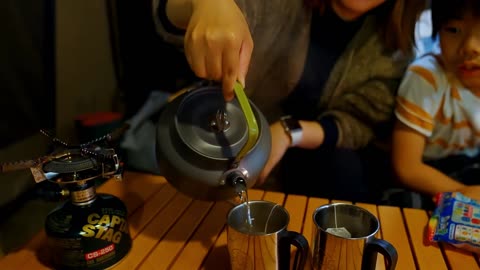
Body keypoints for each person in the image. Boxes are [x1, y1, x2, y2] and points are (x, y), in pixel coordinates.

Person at [153, 0, 426, 203]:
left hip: (305, 167)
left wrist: (288, 132)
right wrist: (208, 5)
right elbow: (166, 13)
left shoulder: (394, 52)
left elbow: (357, 123)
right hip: (221, 149)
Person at [391, 0, 480, 206]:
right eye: (453, 30)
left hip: (466, 167)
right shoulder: (426, 78)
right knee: (404, 202)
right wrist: (464, 194)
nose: (469, 47)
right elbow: (406, 168)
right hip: (424, 173)